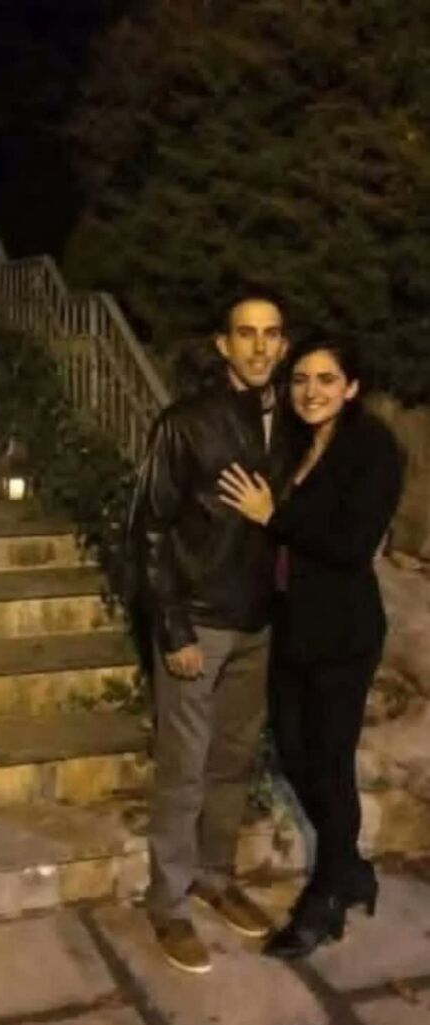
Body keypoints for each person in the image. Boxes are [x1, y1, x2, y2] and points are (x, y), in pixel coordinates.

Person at [217, 334, 404, 958]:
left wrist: (275, 518)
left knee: (329, 762)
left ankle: (325, 899)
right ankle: (349, 869)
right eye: (300, 379)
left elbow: (351, 543)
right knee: (295, 755)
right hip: (292, 628)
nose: (311, 391)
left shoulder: (372, 449)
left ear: (351, 386)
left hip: (343, 635)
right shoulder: (295, 443)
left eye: (326, 379)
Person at [129, 291, 291, 973]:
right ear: (223, 344)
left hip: (260, 625)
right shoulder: (185, 424)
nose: (258, 346)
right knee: (184, 772)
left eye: (271, 334)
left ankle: (215, 878)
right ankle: (167, 904)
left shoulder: (294, 427)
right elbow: (149, 530)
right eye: (244, 334)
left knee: (232, 763)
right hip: (199, 622)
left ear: (283, 345)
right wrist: (173, 627)